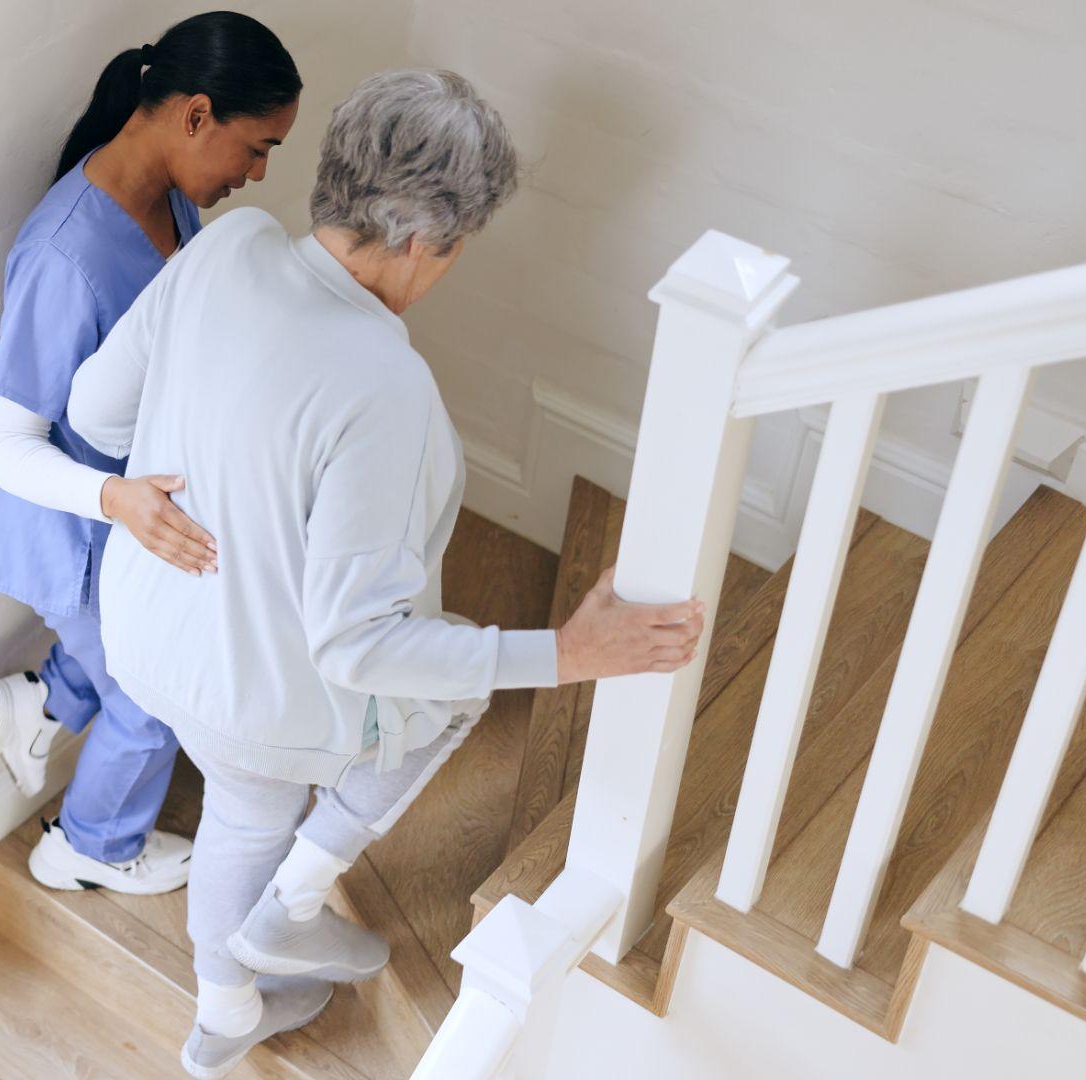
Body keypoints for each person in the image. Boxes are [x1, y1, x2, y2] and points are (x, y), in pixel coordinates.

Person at [68, 69, 708, 1077]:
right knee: (449, 693)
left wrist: (224, 485)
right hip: (253, 694)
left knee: (242, 804)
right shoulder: (384, 386)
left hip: (145, 632)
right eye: (454, 251)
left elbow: (98, 414)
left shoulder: (228, 244)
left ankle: (226, 1010)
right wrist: (573, 652)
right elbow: (359, 644)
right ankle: (293, 900)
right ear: (422, 242)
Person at [0, 12, 301, 896]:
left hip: (121, 503)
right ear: (196, 116)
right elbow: (9, 448)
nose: (260, 173)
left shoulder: (173, 199)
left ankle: (38, 708)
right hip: (63, 518)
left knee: (129, 643)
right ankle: (88, 847)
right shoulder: (62, 255)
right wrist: (123, 504)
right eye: (257, 147)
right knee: (152, 694)